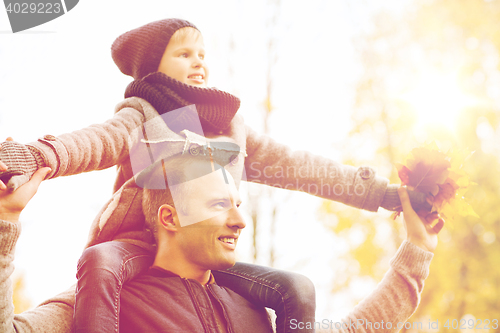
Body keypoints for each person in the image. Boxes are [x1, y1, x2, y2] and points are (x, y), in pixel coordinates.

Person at [0, 18, 430, 333]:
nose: (198, 62)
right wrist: (34, 159)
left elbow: (302, 168)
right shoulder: (144, 114)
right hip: (131, 248)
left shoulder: (231, 128)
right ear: (153, 67)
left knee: (295, 287)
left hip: (201, 259)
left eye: (202, 54)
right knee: (99, 261)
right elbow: (93, 143)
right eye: (183, 53)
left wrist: (386, 199)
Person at [0, 154, 443, 332]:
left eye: (238, 204)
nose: (240, 221)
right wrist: (6, 222)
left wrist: (417, 250)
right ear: (169, 218)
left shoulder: (257, 309)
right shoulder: (105, 299)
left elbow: (354, 329)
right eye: (219, 205)